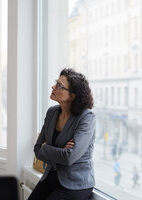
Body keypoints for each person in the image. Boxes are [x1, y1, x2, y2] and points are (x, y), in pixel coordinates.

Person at [28, 68, 95, 200]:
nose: (53, 87)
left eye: (60, 86)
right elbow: (37, 149)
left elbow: (70, 157)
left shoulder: (87, 118)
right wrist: (59, 151)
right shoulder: (52, 112)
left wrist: (46, 147)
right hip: (51, 177)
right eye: (56, 83)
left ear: (73, 96)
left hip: (76, 184)